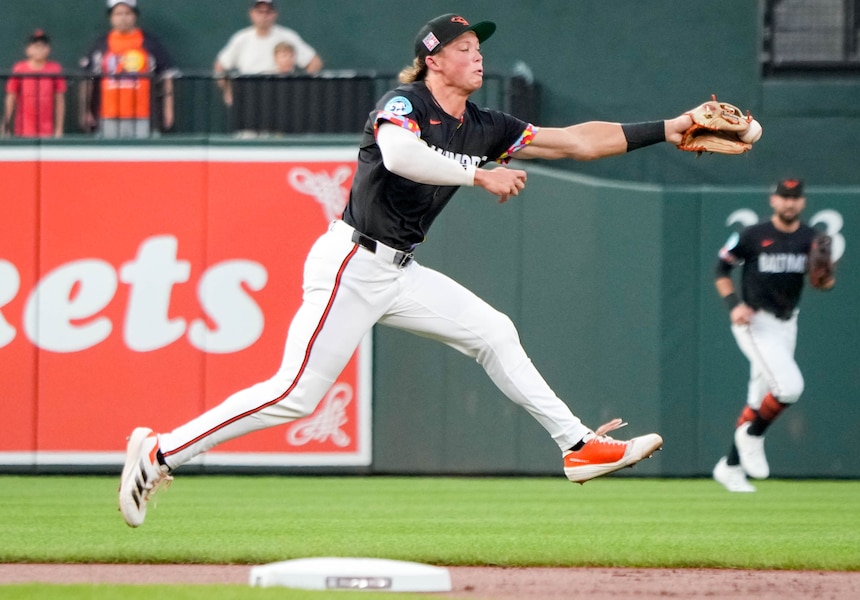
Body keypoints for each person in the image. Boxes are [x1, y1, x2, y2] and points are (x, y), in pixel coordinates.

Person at [119, 13, 699, 528]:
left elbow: (576, 143)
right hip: (352, 262)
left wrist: (668, 129)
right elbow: (400, 156)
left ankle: (576, 445)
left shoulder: (484, 124)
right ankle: (159, 453)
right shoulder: (404, 103)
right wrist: (479, 175)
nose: (478, 56)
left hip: (400, 271)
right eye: (466, 47)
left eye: (479, 47)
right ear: (433, 60)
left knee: (493, 331)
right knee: (295, 395)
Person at [711, 179, 836, 493]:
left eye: (794, 197)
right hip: (755, 322)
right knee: (789, 387)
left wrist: (825, 279)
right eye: (784, 197)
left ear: (802, 202)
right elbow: (720, 269)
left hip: (786, 323)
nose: (789, 203)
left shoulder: (812, 237)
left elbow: (823, 282)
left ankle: (730, 467)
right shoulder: (753, 234)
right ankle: (752, 435)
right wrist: (733, 305)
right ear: (773, 200)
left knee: (758, 397)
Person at [78, 0, 177, 139]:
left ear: (134, 16)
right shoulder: (100, 45)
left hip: (142, 116)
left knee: (141, 157)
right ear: (111, 17)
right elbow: (88, 79)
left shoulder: (149, 43)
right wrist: (85, 110)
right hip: (108, 115)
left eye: (127, 13)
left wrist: (168, 109)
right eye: (118, 14)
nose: (123, 17)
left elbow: (166, 76)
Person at [214, 0, 323, 107]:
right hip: (249, 97)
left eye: (268, 12)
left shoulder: (288, 37)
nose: (264, 16)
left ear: (275, 14)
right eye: (260, 12)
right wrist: (228, 89)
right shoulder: (241, 38)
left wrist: (300, 89)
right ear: (251, 13)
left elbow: (314, 62)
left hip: (281, 97)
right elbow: (220, 66)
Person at [2, 29, 66, 138]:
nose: (39, 49)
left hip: (47, 131)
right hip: (23, 130)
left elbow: (59, 100)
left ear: (48, 50)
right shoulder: (19, 69)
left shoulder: (55, 69)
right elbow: (10, 98)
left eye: (42, 46)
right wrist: (5, 125)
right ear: (28, 50)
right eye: (35, 46)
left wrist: (59, 129)